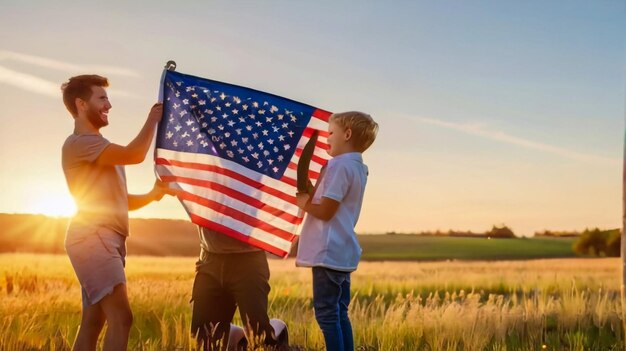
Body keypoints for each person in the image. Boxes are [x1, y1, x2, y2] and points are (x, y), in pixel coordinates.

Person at [61, 74, 176, 351]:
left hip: (104, 238)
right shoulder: (80, 144)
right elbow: (135, 154)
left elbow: (119, 201)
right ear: (81, 104)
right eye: (101, 98)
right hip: (93, 237)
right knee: (122, 319)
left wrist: (152, 195)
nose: (109, 105)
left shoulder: (98, 146)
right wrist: (153, 119)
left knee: (93, 321)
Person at [295, 111, 378, 351]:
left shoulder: (339, 166)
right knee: (340, 313)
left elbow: (326, 211)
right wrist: (313, 189)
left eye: (331, 133)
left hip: (327, 251)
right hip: (342, 252)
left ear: (347, 134)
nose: (326, 138)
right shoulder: (357, 168)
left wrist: (305, 205)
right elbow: (329, 200)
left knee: (327, 315)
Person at [191, 227, 288, 350]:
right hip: (209, 258)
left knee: (260, 337)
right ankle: (236, 337)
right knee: (203, 339)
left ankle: (279, 329)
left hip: (248, 260)